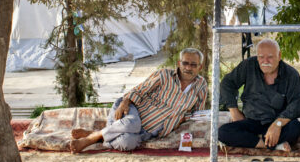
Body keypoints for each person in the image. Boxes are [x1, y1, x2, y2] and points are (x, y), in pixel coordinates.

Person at [69, 48, 207, 152]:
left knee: (128, 143)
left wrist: (181, 118)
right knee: (132, 124)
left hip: (151, 131)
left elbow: (198, 112)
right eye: (185, 63)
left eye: (193, 65)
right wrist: (125, 102)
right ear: (179, 63)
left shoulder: (201, 85)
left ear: (200, 67)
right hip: (132, 112)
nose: (188, 68)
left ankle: (100, 134)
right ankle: (90, 139)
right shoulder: (165, 75)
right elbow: (139, 90)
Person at [218, 38, 300, 152]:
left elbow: (297, 104)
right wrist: (234, 111)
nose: (265, 61)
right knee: (223, 132)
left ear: (279, 55)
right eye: (261, 57)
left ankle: (256, 141)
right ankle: (269, 144)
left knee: (295, 127)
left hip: (277, 121)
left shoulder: (291, 74)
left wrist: (277, 124)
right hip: (251, 121)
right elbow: (227, 83)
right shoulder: (248, 65)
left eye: (270, 57)